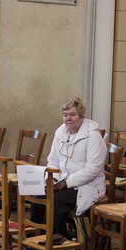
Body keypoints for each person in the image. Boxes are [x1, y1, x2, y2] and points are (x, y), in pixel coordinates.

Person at [35, 97, 106, 241]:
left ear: (81, 116)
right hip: (61, 182)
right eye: (65, 115)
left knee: (56, 200)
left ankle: (58, 243)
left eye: (72, 115)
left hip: (86, 186)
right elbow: (53, 160)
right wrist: (52, 180)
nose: (68, 118)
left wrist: (66, 183)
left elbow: (93, 169)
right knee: (38, 196)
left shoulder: (93, 135)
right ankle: (36, 238)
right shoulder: (60, 132)